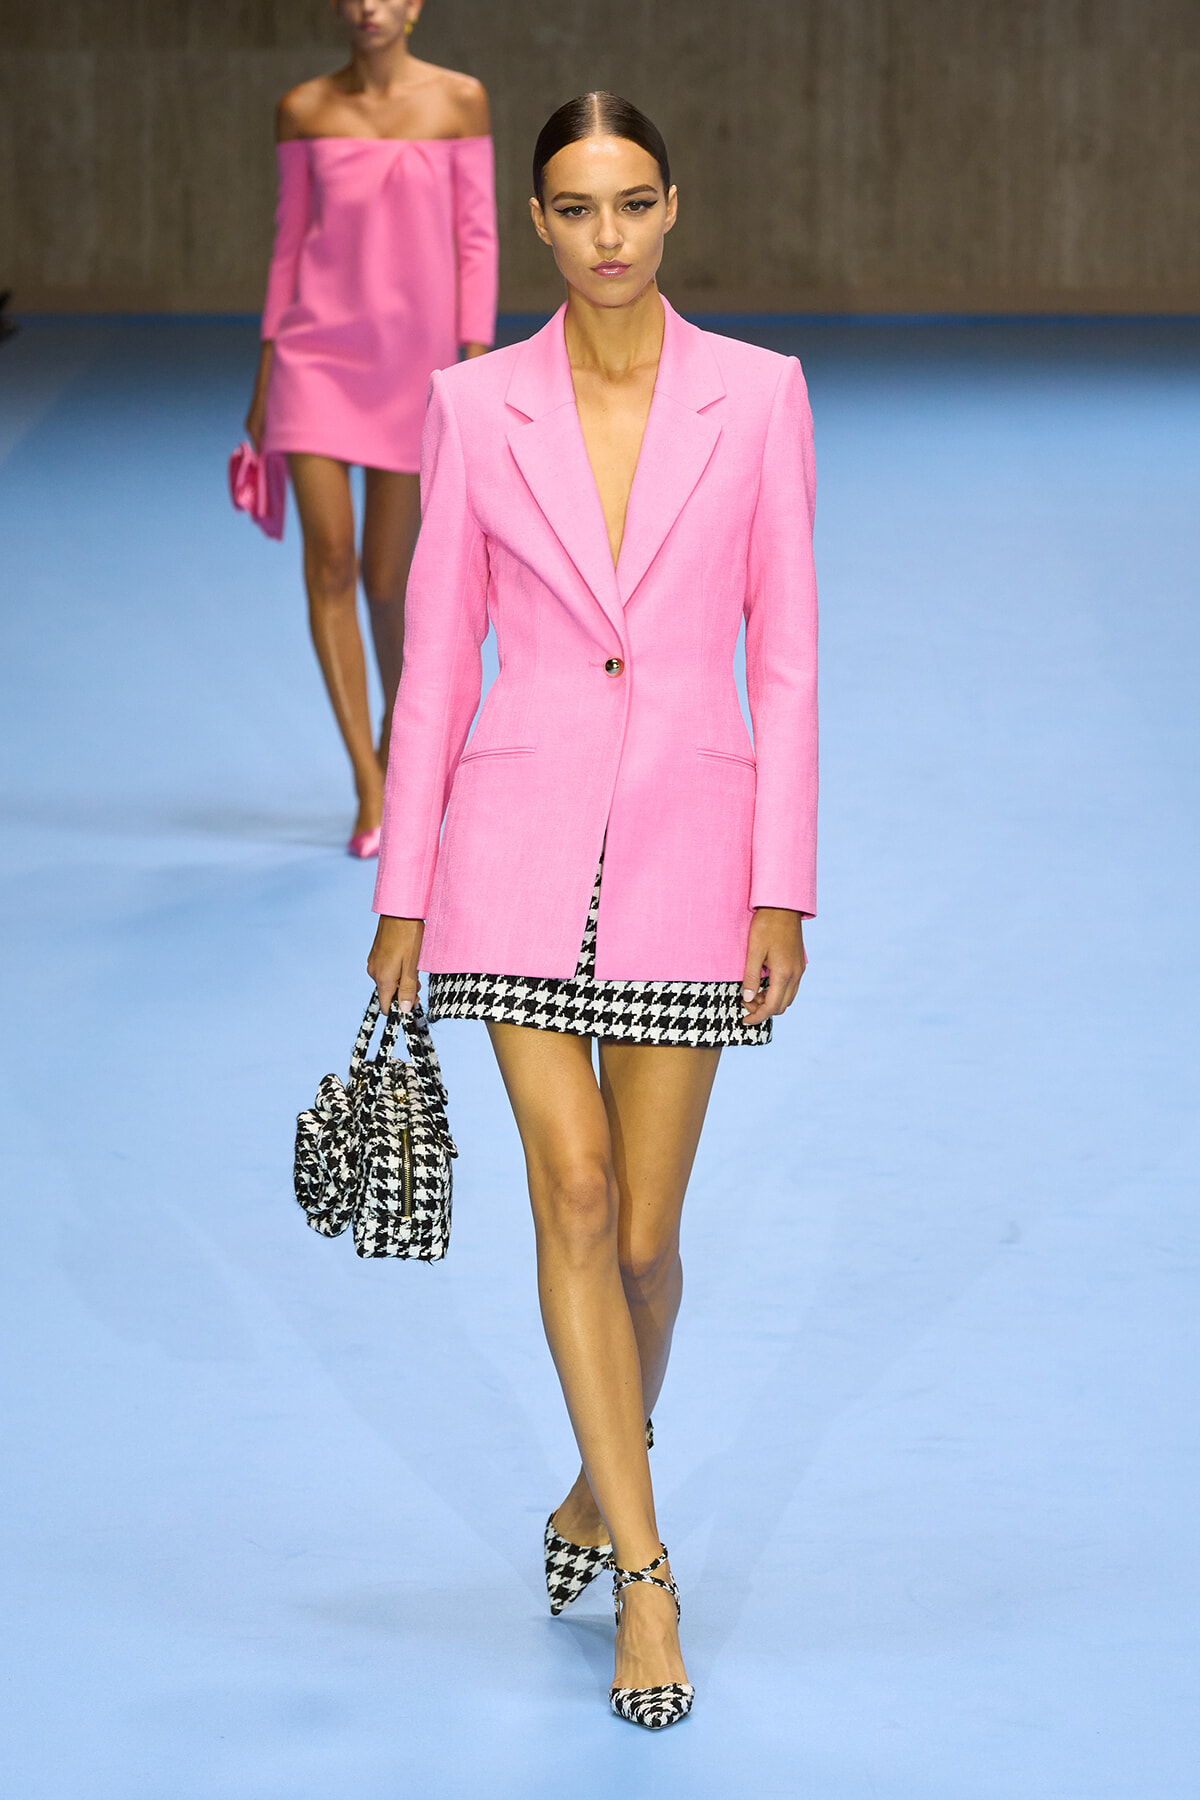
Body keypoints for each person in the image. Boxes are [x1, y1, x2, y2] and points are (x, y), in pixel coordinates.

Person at [367, 92, 817, 1729]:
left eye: (634, 202)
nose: (609, 233)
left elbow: (792, 653)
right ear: (538, 226)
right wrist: (406, 887)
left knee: (642, 1237)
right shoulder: (474, 406)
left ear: (673, 210)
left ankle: (587, 1486)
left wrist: (783, 880)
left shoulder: (761, 398)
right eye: (576, 207)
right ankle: (646, 1575)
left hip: (697, 846)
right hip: (514, 844)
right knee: (569, 1191)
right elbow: (435, 662)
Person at [244, 0, 497, 856]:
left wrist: (472, 368)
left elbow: (477, 243)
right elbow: (287, 248)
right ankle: (369, 780)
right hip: (316, 361)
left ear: (415, 5)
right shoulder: (303, 108)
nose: (367, 7)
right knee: (332, 562)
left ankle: (403, 740)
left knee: (390, 581)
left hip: (416, 367)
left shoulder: (462, 100)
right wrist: (265, 375)